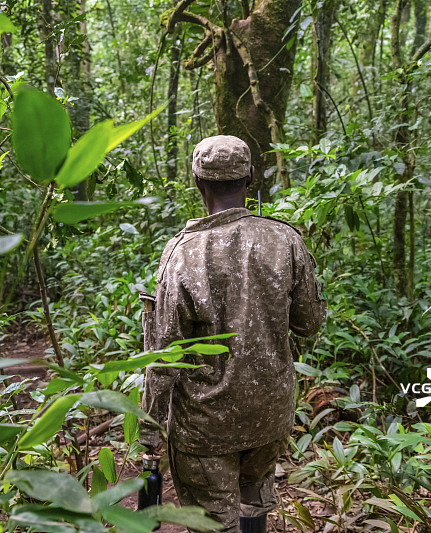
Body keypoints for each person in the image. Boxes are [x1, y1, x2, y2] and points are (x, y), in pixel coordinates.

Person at [139, 135, 326, 533]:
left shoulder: (182, 254)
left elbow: (164, 357)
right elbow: (309, 324)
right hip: (269, 417)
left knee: (213, 522)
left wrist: (150, 430)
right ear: (251, 178)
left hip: (206, 424)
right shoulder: (286, 240)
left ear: (197, 181)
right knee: (254, 502)